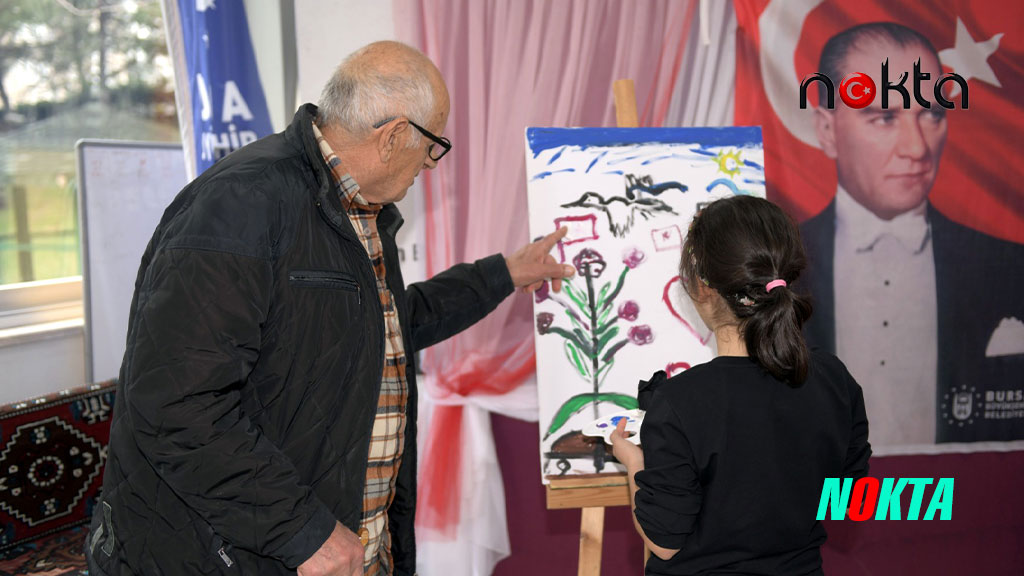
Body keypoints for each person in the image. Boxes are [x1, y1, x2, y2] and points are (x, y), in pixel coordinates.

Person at [84, 41, 574, 576]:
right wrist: (302, 530)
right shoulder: (240, 204)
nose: (430, 166)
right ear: (392, 137)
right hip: (234, 552)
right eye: (433, 145)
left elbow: (387, 324)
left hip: (330, 539)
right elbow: (176, 404)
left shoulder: (359, 207)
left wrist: (504, 273)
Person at [610, 196, 871, 575]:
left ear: (702, 287)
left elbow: (664, 544)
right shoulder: (834, 380)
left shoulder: (679, 403)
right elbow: (848, 500)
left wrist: (636, 462)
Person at [801, 22, 1024, 446]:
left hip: (965, 505)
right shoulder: (778, 269)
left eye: (932, 114)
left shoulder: (1010, 269)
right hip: (822, 508)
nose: (917, 148)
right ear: (827, 130)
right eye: (884, 117)